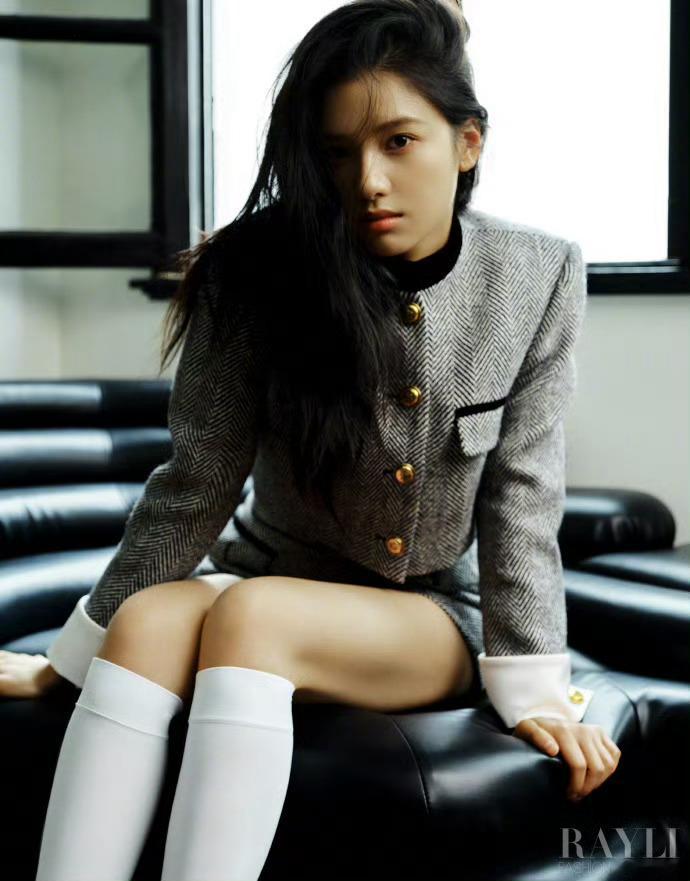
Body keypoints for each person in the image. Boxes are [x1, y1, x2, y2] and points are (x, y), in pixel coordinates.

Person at [0, 2, 621, 879]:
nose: (367, 180)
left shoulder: (537, 274)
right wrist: (65, 664)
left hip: (426, 612)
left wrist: (535, 691)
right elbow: (195, 483)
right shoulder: (253, 270)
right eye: (337, 152)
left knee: (256, 615)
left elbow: (524, 496)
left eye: (399, 142)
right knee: (146, 621)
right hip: (267, 572)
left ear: (467, 143)